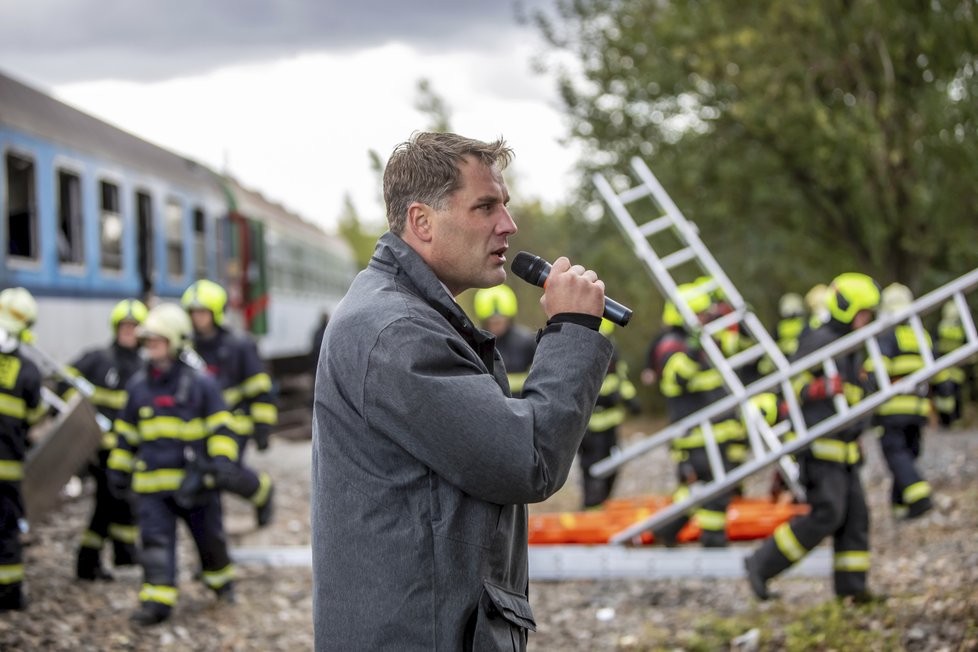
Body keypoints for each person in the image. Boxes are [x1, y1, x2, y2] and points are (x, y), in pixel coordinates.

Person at [311, 131, 612, 650]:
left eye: (506, 206)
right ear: (422, 222)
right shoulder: (397, 333)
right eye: (485, 206)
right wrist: (573, 333)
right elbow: (527, 460)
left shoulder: (403, 315)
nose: (508, 226)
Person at [745, 272, 881, 603]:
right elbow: (789, 387)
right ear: (849, 309)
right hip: (820, 451)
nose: (868, 321)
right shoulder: (819, 341)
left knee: (856, 518)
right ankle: (761, 564)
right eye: (864, 313)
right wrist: (816, 388)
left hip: (845, 450)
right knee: (827, 514)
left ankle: (853, 590)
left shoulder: (851, 347)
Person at [107, 303, 237, 625]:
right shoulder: (138, 388)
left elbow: (222, 425)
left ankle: (222, 585)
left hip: (196, 486)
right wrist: (118, 468)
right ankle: (156, 603)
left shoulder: (201, 385)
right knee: (154, 545)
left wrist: (221, 462)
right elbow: (126, 435)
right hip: (152, 489)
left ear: (176, 342)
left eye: (157, 341)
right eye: (147, 341)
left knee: (211, 543)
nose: (150, 347)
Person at [645, 283, 743, 547]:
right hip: (694, 435)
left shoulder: (699, 342)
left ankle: (667, 529)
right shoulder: (671, 345)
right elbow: (678, 378)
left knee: (705, 488)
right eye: (701, 314)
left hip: (713, 430)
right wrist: (694, 350)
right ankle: (712, 538)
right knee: (713, 489)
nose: (706, 319)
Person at [181, 280, 276, 528]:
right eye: (193, 313)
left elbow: (259, 387)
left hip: (236, 423)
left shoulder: (239, 346)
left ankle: (262, 492)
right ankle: (215, 533)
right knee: (207, 479)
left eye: (202, 312)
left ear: (215, 313)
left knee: (226, 473)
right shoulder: (187, 348)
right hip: (201, 426)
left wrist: (263, 427)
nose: (197, 318)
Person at [64, 299, 146, 581]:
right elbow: (64, 380)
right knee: (110, 501)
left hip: (130, 449)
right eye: (125, 326)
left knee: (120, 502)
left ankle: (123, 554)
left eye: (134, 327)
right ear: (116, 328)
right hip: (102, 450)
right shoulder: (98, 358)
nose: (129, 332)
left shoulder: (144, 367)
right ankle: (90, 560)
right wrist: (78, 419)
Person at [869, 283, 933, 519]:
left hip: (893, 408)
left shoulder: (888, 335)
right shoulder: (920, 334)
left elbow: (877, 370)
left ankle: (919, 496)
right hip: (918, 407)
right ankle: (900, 504)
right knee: (909, 453)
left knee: (896, 454)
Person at [0, 287, 45, 611]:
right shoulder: (28, 372)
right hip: (7, 469)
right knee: (6, 530)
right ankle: (10, 593)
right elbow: (35, 420)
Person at [577, 318, 640, 509]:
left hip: (611, 424)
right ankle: (591, 509)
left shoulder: (612, 349)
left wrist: (630, 398)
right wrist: (606, 395)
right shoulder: (580, 352)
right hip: (589, 426)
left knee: (613, 467)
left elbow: (620, 379)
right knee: (593, 470)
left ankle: (603, 505)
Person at [472, 284, 537, 396]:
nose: (496, 324)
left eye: (501, 319)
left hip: (522, 404)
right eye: (491, 320)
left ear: (509, 318)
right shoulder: (474, 343)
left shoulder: (526, 341)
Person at [933, 300, 967, 427]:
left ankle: (944, 421)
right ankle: (955, 420)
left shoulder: (940, 327)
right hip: (957, 369)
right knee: (956, 396)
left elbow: (934, 346)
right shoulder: (962, 329)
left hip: (943, 368)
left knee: (942, 396)